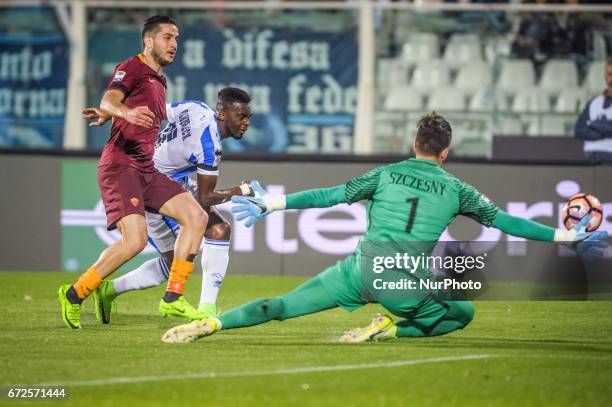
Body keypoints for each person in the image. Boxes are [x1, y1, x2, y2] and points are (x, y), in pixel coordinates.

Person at [161, 112, 608, 344]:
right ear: (445, 153)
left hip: (359, 270)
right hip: (403, 281)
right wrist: (567, 235)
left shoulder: (385, 174)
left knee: (280, 305)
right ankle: (391, 328)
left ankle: (213, 326)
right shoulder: (458, 190)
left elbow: (329, 195)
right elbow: (506, 222)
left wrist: (272, 203)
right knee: (463, 313)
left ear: (414, 145)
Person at [58, 16, 209, 330]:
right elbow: (110, 98)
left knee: (197, 218)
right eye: (168, 37)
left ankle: (173, 300)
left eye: (177, 39)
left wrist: (110, 115)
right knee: (134, 242)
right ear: (149, 41)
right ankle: (75, 294)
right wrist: (117, 111)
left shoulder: (159, 81)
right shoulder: (133, 66)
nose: (174, 45)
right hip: (121, 165)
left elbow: (116, 106)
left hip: (146, 168)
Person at [89, 88, 254, 323]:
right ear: (222, 114)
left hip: (172, 183)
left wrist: (115, 114)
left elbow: (155, 111)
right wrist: (241, 191)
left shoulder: (196, 107)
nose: (246, 122)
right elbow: (206, 199)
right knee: (204, 239)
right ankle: (206, 311)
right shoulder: (210, 147)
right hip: (154, 192)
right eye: (241, 116)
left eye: (248, 117)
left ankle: (109, 290)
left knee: (193, 247)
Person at [575, 57, 612, 162]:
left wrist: (593, 124)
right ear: (605, 77)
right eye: (609, 75)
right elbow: (579, 131)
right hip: (590, 155)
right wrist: (606, 130)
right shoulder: (594, 103)